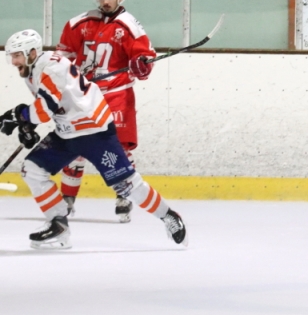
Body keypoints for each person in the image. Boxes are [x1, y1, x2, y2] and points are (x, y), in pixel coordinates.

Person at [0, 29, 186, 249]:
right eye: (11, 56)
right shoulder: (33, 70)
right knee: (32, 168)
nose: (13, 61)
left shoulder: (51, 68)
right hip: (66, 131)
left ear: (31, 52)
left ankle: (168, 215)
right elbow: (51, 106)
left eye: (17, 55)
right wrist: (26, 125)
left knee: (126, 184)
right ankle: (58, 225)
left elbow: (43, 110)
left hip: (93, 132)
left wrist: (18, 116)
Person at [56, 0, 156, 223]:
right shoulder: (79, 23)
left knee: (117, 149)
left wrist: (141, 63)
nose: (105, 0)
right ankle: (67, 199)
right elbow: (62, 56)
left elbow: (144, 58)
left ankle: (124, 195)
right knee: (76, 147)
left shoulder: (129, 26)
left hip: (116, 95)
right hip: (84, 96)